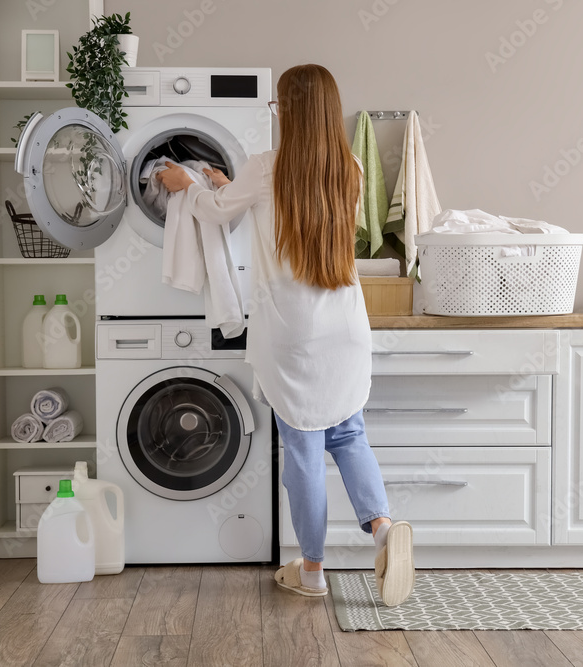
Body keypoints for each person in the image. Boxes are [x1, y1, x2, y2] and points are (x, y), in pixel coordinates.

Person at [156, 64, 414, 606]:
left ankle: (313, 571)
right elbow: (287, 205)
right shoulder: (350, 168)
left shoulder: (263, 166)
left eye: (278, 106)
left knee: (302, 449)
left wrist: (188, 183)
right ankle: (385, 529)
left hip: (292, 334)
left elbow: (214, 210)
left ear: (290, 112)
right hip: (345, 328)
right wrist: (235, 187)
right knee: (348, 434)